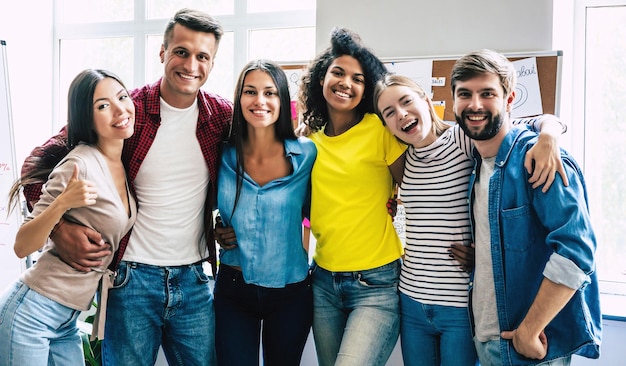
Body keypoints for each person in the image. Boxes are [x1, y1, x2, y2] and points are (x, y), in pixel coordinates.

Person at [19, 8, 233, 366]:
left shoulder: (221, 117)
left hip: (195, 281)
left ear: (212, 63)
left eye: (202, 56)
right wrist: (58, 228)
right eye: (181, 51)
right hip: (131, 281)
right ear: (162, 52)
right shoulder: (127, 109)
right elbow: (36, 163)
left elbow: (256, 166)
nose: (190, 64)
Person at [373, 74, 567, 366]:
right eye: (389, 112)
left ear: (426, 101)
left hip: (460, 306)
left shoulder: (462, 138)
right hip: (411, 301)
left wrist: (550, 134)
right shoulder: (404, 159)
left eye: (406, 102)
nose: (401, 114)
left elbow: (533, 123)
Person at [450, 49, 601, 366]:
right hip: (487, 339)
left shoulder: (538, 160)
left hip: (526, 347)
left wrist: (529, 332)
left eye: (487, 93)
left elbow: (577, 251)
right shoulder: (477, 163)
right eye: (465, 94)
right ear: (453, 102)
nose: (475, 104)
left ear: (509, 99)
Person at [0, 69, 136, 365]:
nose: (119, 109)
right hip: (32, 316)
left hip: (65, 321)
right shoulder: (79, 163)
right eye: (103, 105)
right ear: (85, 118)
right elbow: (22, 245)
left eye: (122, 97)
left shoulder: (119, 165)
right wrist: (62, 203)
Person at [297, 27, 407, 366]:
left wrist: (547, 128)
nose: (346, 82)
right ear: (321, 78)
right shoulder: (308, 139)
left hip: (376, 282)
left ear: (367, 89)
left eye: (358, 79)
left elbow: (418, 185)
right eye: (338, 73)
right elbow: (299, 205)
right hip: (324, 282)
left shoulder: (381, 130)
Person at [212, 59, 315, 365]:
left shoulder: (307, 153)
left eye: (270, 92)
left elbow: (330, 202)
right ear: (239, 98)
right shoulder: (223, 154)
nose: (260, 101)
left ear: (282, 99)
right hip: (233, 289)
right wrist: (215, 227)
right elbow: (194, 200)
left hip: (291, 292)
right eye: (250, 92)